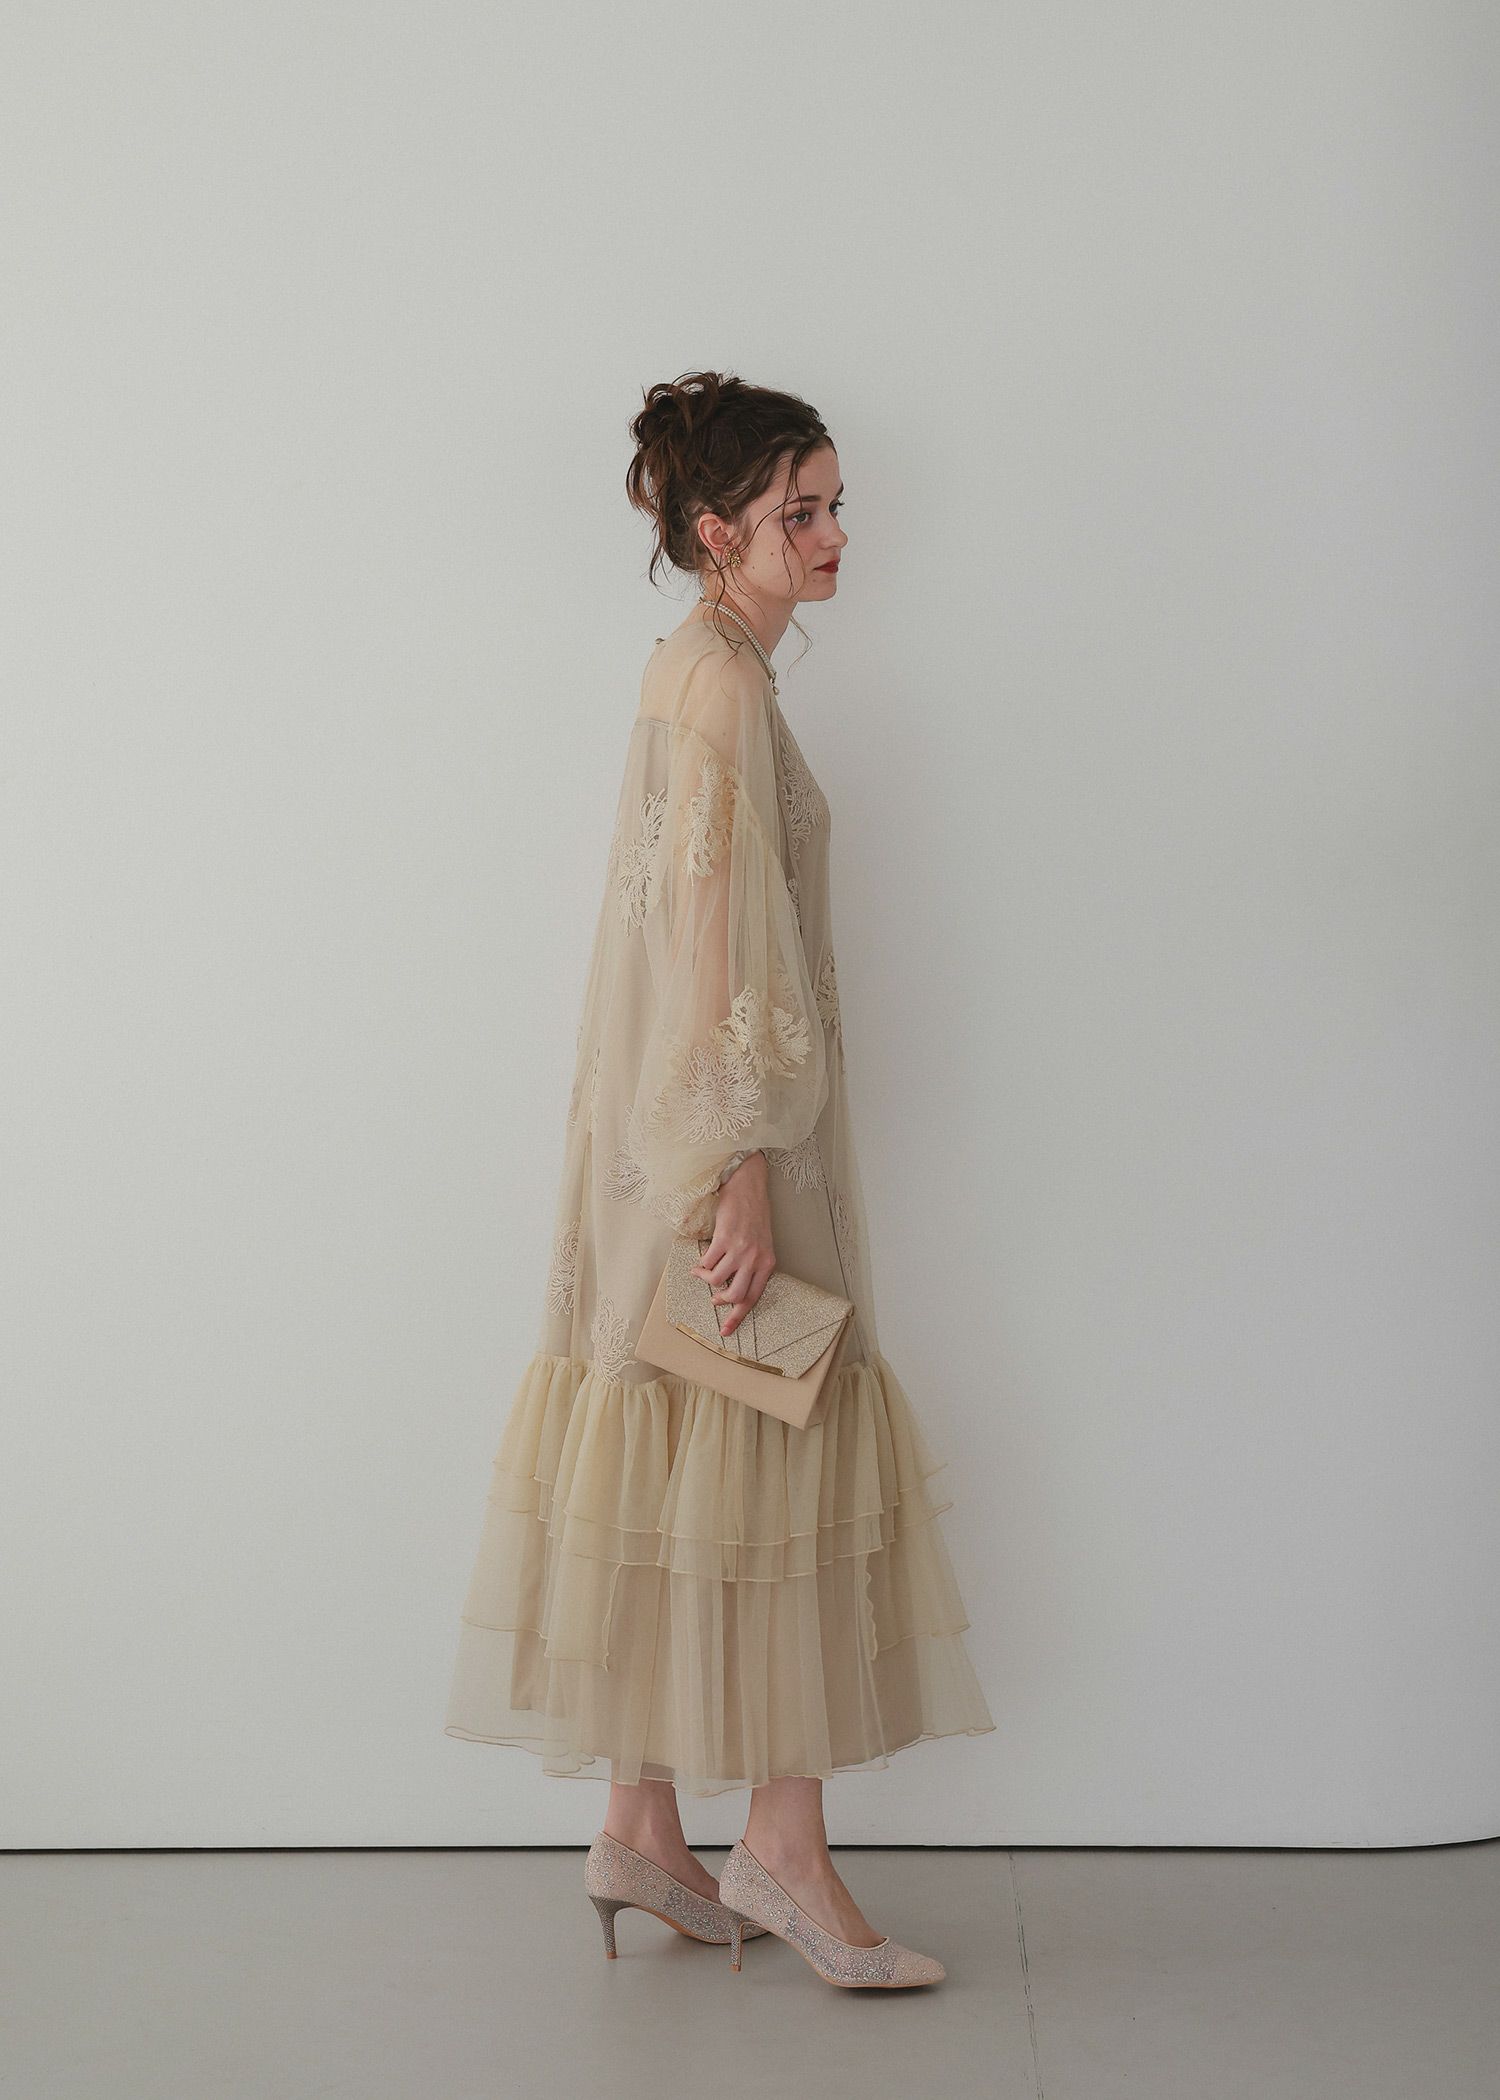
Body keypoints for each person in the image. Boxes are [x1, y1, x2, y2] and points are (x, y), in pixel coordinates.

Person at [445, 370, 996, 1989]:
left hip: (654, 1140)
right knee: (772, 1432)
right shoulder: (725, 690)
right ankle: (784, 1853)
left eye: (834, 506)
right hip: (721, 1135)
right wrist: (742, 1170)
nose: (833, 537)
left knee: (675, 1436)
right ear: (713, 532)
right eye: (797, 513)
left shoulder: (692, 666)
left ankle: (641, 1825)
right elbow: (713, 943)